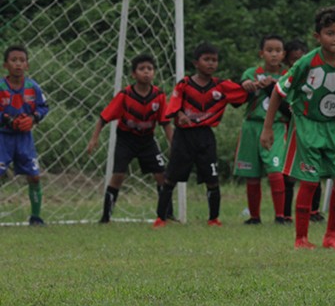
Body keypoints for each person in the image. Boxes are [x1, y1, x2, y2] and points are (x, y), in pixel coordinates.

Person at [261, 6, 335, 249]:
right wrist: (267, 128)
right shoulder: (307, 62)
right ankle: (301, 238)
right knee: (310, 181)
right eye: (330, 33)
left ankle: (331, 235)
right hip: (308, 125)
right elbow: (278, 91)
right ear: (318, 36)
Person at [152, 43, 248, 227]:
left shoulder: (222, 86)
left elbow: (243, 93)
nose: (211, 64)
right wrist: (180, 115)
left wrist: (251, 84)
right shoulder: (185, 84)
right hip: (184, 136)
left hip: (205, 136)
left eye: (214, 60)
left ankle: (213, 219)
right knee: (171, 177)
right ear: (196, 62)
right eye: (207, 60)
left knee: (212, 179)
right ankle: (160, 218)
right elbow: (173, 107)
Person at [86, 54, 173, 223]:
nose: (146, 72)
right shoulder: (125, 95)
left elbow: (165, 123)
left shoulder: (159, 96)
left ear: (154, 73)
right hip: (126, 140)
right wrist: (93, 139)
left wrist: (173, 144)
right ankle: (105, 217)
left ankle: (166, 214)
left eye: (150, 69)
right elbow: (103, 119)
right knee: (118, 175)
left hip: (147, 140)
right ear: (134, 74)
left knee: (162, 176)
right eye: (142, 69)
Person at [235, 35, 289, 225]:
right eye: (269, 50)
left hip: (276, 125)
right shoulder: (252, 73)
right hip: (252, 124)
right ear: (261, 53)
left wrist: (273, 87)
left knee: (275, 169)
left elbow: (291, 101)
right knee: (252, 173)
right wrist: (246, 86)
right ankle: (254, 217)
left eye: (278, 51)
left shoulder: (287, 75)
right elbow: (240, 91)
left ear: (283, 54)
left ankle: (280, 216)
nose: (274, 54)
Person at [0, 46, 49, 225]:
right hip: (3, 138)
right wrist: (8, 120)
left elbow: (44, 107)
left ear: (27, 65)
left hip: (24, 139)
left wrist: (33, 118)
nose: (18, 64)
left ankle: (36, 217)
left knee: (34, 176)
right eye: (14, 60)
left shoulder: (32, 86)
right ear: (6, 64)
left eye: (22, 60)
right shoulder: (0, 86)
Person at [281, 38, 319, 222]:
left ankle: (314, 212)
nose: (299, 62)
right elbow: (281, 100)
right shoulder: (289, 78)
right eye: (294, 59)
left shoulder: (318, 74)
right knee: (290, 174)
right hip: (293, 128)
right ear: (287, 61)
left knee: (315, 170)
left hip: (314, 128)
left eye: (302, 57)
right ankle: (286, 214)